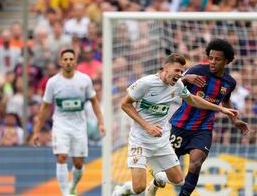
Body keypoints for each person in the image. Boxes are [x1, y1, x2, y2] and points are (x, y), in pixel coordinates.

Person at [112, 53, 238, 196]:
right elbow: (125, 104)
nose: (179, 74)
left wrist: (221, 108)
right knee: (138, 188)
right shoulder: (146, 83)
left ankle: (159, 177)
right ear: (165, 68)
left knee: (179, 181)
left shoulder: (177, 85)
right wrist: (147, 126)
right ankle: (122, 190)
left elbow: (193, 99)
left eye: (181, 71)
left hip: (161, 140)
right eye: (177, 70)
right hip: (140, 140)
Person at [152, 39, 250, 196]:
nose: (212, 62)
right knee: (168, 171)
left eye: (217, 59)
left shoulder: (229, 82)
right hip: (180, 125)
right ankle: (155, 183)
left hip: (203, 129)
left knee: (196, 163)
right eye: (210, 57)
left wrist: (234, 119)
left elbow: (225, 100)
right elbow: (170, 84)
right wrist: (185, 78)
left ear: (227, 61)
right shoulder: (197, 70)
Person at [31, 49, 105, 196]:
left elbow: (95, 102)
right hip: (60, 124)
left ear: (75, 62)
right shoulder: (53, 83)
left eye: (71, 59)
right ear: (60, 62)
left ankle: (72, 187)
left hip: (79, 126)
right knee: (62, 157)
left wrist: (101, 123)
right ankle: (65, 193)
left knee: (78, 163)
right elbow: (45, 107)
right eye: (65, 59)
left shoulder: (84, 80)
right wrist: (36, 131)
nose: (68, 62)